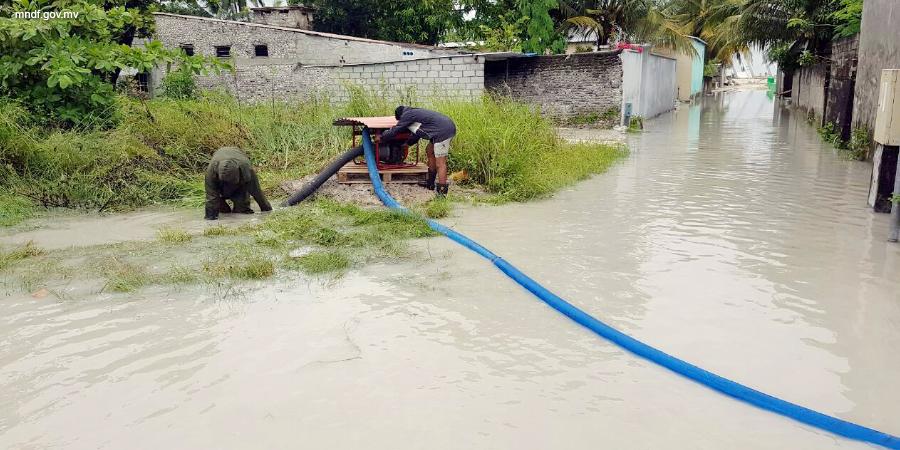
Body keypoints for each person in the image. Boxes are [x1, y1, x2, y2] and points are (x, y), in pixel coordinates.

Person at [380, 105, 456, 196]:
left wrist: (381, 136)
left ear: (400, 116)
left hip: (443, 132)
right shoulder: (413, 113)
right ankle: (430, 183)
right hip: (441, 128)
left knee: (440, 163)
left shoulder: (407, 115)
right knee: (429, 151)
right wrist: (407, 144)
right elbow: (417, 133)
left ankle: (442, 193)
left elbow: (396, 130)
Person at [204, 147, 272, 220]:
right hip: (219, 187)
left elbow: (257, 192)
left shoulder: (246, 169)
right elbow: (211, 197)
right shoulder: (211, 172)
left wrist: (267, 210)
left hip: (239, 187)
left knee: (242, 210)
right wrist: (209, 219)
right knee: (222, 210)